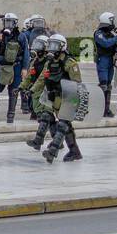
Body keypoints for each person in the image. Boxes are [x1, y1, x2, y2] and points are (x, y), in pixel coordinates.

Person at [32, 33, 83, 163]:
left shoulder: (69, 63)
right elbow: (42, 78)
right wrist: (31, 90)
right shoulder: (50, 63)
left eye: (55, 45)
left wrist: (74, 103)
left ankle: (52, 151)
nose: (51, 48)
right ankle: (74, 151)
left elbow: (77, 83)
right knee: (66, 126)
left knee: (62, 125)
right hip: (55, 97)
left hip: (69, 97)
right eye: (50, 45)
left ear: (62, 47)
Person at [21, 34, 54, 149]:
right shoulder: (35, 61)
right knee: (46, 118)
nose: (36, 47)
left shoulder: (49, 61)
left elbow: (42, 79)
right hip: (37, 92)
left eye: (39, 45)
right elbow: (30, 76)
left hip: (47, 91)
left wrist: (32, 89)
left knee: (45, 116)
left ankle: (38, 141)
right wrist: (21, 87)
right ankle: (57, 142)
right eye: (35, 44)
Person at [93, 12, 117, 118]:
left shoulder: (111, 33)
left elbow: (116, 47)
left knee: (108, 85)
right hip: (103, 60)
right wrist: (116, 38)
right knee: (103, 85)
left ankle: (106, 110)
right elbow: (106, 43)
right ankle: (100, 109)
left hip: (110, 60)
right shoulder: (98, 33)